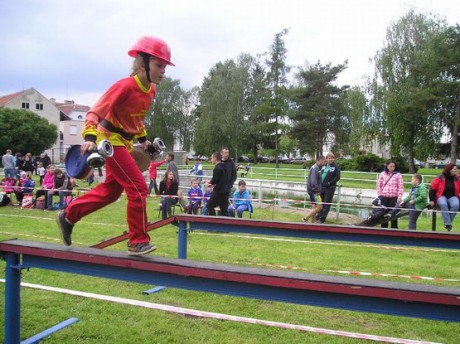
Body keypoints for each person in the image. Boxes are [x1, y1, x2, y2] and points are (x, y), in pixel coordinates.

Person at [56, 35, 174, 255]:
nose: (163, 71)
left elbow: (136, 118)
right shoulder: (124, 86)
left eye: (165, 66)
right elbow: (94, 111)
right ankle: (137, 241)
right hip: (108, 141)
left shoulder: (151, 91)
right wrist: (90, 139)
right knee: (138, 188)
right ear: (142, 64)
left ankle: (68, 215)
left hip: (126, 143)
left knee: (111, 192)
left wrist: (143, 141)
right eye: (159, 65)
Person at [429, 163, 460, 232]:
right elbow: (432, 188)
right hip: (441, 195)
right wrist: (431, 200)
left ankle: (447, 224)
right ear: (449, 170)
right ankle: (448, 224)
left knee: (456, 205)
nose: (456, 170)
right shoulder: (440, 177)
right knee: (443, 204)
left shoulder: (457, 178)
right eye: (454, 169)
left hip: (453, 196)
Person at [376, 160, 404, 229]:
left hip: (394, 197)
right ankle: (384, 229)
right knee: (383, 213)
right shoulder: (382, 174)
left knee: (393, 214)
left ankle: (394, 229)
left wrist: (399, 197)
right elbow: (378, 185)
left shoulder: (398, 175)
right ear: (387, 166)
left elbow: (400, 186)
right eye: (390, 166)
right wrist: (380, 195)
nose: (392, 168)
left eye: (393, 166)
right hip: (384, 197)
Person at [316, 152, 341, 223]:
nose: (330, 159)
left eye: (332, 158)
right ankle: (318, 216)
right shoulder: (324, 166)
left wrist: (330, 183)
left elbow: (337, 177)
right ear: (326, 159)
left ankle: (322, 219)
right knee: (321, 202)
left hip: (330, 188)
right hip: (322, 187)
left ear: (334, 159)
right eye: (329, 158)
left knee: (327, 203)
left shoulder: (336, 167)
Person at [206, 151, 232, 216]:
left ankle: (213, 222)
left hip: (220, 191)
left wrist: (208, 183)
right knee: (224, 209)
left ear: (215, 158)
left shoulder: (217, 168)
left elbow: (214, 181)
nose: (211, 159)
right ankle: (225, 224)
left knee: (209, 206)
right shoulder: (224, 166)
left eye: (212, 158)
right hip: (226, 191)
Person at [302, 155, 326, 223]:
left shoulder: (316, 168)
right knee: (319, 207)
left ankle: (313, 222)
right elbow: (313, 182)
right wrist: (317, 191)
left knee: (314, 207)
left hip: (312, 191)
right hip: (314, 192)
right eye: (324, 161)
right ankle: (305, 218)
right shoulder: (315, 168)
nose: (324, 163)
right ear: (320, 160)